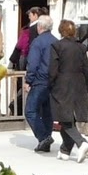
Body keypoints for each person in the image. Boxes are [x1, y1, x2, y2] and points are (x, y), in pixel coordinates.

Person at [49, 18, 88, 161]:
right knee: (70, 118)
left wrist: (50, 84)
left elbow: (53, 70)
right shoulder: (81, 47)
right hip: (79, 84)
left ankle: (81, 143)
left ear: (61, 31)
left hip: (62, 84)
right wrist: (86, 86)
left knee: (65, 119)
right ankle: (65, 150)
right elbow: (86, 69)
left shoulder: (57, 46)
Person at [24, 15, 55, 152]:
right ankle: (46, 141)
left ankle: (43, 137)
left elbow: (33, 63)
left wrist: (28, 80)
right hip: (53, 82)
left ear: (39, 27)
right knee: (47, 112)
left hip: (39, 81)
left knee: (30, 111)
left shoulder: (37, 42)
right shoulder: (56, 41)